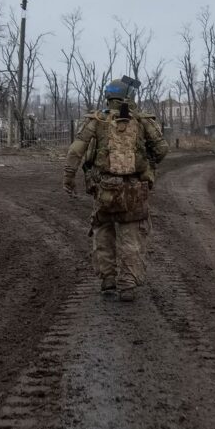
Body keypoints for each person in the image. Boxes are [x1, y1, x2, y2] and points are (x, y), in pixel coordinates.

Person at [64, 77, 169, 302]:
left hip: (104, 188)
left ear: (107, 96)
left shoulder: (97, 119)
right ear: (128, 97)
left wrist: (69, 178)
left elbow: (75, 151)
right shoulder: (141, 119)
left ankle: (107, 280)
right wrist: (147, 162)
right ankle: (128, 283)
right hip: (134, 189)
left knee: (103, 232)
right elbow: (162, 148)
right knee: (131, 235)